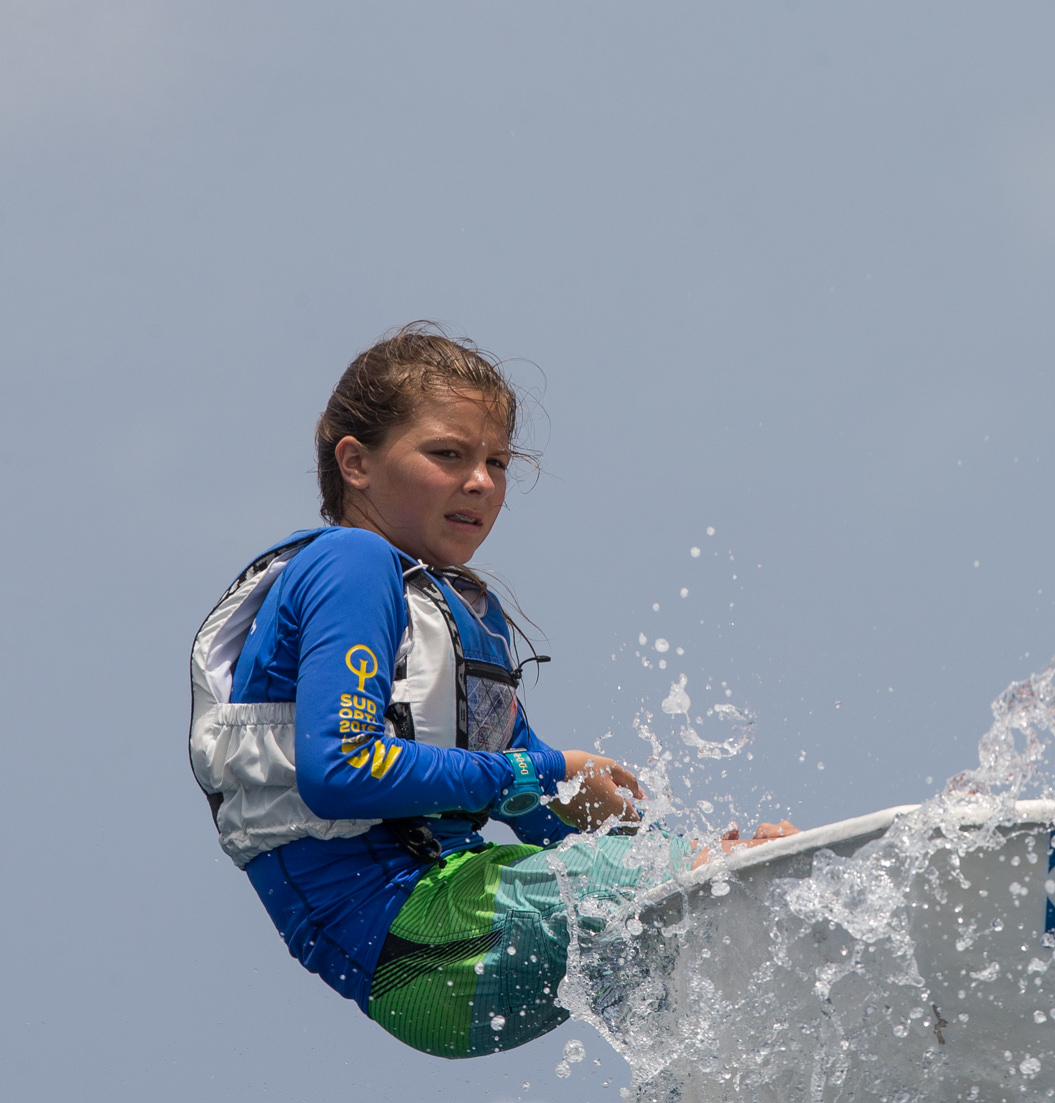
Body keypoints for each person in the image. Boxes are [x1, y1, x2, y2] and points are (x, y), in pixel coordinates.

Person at [188, 324, 795, 1058]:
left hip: (460, 937)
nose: (480, 482)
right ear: (356, 462)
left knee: (695, 928)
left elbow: (537, 805)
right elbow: (339, 769)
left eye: (497, 462)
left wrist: (685, 846)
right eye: (448, 455)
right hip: (419, 936)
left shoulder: (464, 611)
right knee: (672, 891)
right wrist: (542, 773)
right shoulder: (349, 565)